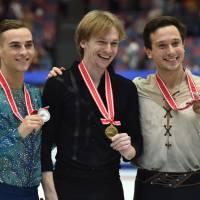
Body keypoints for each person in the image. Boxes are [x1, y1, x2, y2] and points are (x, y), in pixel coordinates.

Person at [41, 10, 143, 200]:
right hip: (67, 188)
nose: (109, 50)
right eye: (101, 42)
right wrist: (49, 192)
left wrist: (129, 150)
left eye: (114, 43)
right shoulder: (58, 84)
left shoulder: (125, 88)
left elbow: (136, 141)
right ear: (83, 42)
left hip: (110, 187)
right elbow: (44, 144)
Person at [133, 15, 200, 200]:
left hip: (194, 188)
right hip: (148, 189)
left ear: (184, 46)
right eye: (162, 46)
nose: (171, 51)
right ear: (148, 51)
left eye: (175, 43)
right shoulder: (137, 89)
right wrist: (63, 75)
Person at [0, 19, 45, 199]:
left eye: (28, 45)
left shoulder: (34, 94)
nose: (24, 52)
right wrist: (19, 132)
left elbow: (45, 144)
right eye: (15, 46)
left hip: (31, 192)